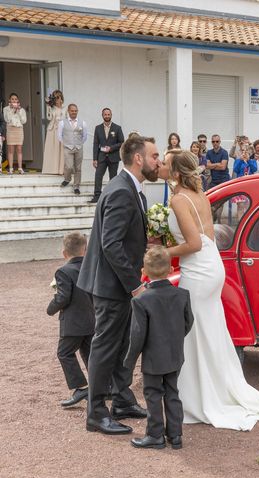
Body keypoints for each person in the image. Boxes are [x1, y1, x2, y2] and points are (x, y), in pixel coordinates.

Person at [158, 149, 259, 430]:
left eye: (165, 163)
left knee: (194, 330)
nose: (161, 166)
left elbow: (192, 243)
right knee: (208, 329)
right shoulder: (199, 196)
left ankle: (199, 396)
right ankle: (214, 387)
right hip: (211, 264)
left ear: (176, 172)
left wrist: (163, 253)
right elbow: (207, 238)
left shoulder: (179, 199)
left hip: (198, 269)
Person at [78, 133, 161, 435]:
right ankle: (96, 413)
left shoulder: (132, 189)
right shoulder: (121, 191)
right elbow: (111, 244)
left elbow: (121, 238)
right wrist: (134, 286)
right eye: (154, 156)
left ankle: (123, 400)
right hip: (110, 286)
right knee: (105, 347)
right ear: (138, 158)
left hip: (116, 284)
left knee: (124, 344)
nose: (158, 162)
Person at [124, 246, 194, 450]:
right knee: (172, 392)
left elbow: (137, 335)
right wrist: (174, 339)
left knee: (153, 394)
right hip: (175, 355)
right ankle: (175, 435)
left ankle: (155, 435)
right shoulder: (182, 294)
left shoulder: (141, 300)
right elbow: (188, 322)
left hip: (154, 358)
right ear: (171, 269)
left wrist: (129, 360)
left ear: (144, 271)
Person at [46, 232, 95, 408]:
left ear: (64, 253)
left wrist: (50, 309)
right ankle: (100, 387)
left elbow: (63, 298)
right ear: (86, 249)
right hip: (92, 319)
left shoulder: (63, 271)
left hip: (73, 323)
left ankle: (81, 387)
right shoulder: (92, 267)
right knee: (90, 354)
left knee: (64, 353)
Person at [89, 107, 125, 203]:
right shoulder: (98, 128)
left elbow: (122, 142)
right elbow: (95, 144)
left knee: (113, 178)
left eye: (109, 114)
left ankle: (112, 197)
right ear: (102, 115)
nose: (107, 116)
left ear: (111, 115)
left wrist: (111, 148)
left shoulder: (117, 128)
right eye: (105, 114)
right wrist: (94, 159)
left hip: (113, 157)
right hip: (101, 157)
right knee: (98, 176)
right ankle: (97, 195)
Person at [58, 104, 88, 195]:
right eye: (72, 111)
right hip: (67, 147)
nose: (74, 112)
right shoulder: (62, 122)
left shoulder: (83, 123)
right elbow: (59, 136)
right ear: (68, 111)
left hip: (79, 147)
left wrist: (79, 144)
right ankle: (67, 179)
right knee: (69, 166)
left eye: (75, 111)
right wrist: (66, 143)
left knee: (78, 168)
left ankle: (76, 186)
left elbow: (85, 136)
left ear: (77, 111)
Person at [42, 89, 65, 175]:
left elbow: (66, 118)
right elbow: (48, 118)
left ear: (61, 98)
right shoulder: (52, 108)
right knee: (52, 149)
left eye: (58, 97)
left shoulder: (65, 108)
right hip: (53, 130)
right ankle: (52, 169)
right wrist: (48, 106)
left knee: (61, 149)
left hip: (62, 130)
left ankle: (61, 169)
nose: (57, 100)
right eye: (55, 98)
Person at [4, 93, 27, 174]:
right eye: (12, 99)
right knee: (10, 149)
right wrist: (12, 110)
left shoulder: (22, 110)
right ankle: (10, 168)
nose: (14, 100)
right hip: (10, 130)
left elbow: (24, 121)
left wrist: (18, 111)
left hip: (19, 130)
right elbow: (7, 119)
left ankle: (20, 168)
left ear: (18, 100)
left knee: (19, 149)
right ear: (9, 100)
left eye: (15, 99)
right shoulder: (6, 109)